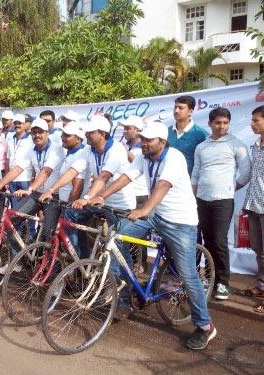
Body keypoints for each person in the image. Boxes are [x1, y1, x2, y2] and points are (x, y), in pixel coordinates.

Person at [94, 121, 216, 350]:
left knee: (188, 275)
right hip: (155, 215)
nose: (143, 142)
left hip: (180, 222)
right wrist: (101, 195)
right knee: (115, 236)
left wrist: (144, 210)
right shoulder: (143, 156)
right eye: (142, 138)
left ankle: (205, 326)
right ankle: (125, 297)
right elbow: (125, 178)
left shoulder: (175, 157)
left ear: (162, 142)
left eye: (148, 139)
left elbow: (163, 185)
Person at [191, 107, 251, 300]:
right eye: (218, 123)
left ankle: (223, 283)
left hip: (223, 201)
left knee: (219, 241)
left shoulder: (236, 144)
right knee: (206, 241)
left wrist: (231, 188)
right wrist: (192, 196)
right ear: (210, 124)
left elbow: (246, 172)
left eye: (225, 123)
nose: (222, 126)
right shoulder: (202, 146)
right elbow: (196, 173)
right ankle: (209, 277)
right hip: (201, 199)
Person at [0, 119, 65, 262]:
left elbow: (46, 172)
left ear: (47, 133)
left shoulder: (56, 148)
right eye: (34, 132)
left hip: (53, 195)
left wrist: (30, 189)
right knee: (12, 220)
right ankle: (16, 260)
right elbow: (18, 169)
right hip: (37, 194)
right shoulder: (32, 150)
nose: (37, 135)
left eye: (40, 132)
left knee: (49, 234)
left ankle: (52, 270)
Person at [65, 115, 136, 258]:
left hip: (119, 205)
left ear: (102, 134)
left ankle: (120, 279)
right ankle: (80, 261)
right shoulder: (89, 149)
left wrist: (87, 197)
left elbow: (103, 177)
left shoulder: (116, 149)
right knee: (70, 213)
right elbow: (73, 171)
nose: (86, 135)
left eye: (90, 132)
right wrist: (50, 189)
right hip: (98, 200)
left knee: (116, 247)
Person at [119, 115, 151, 272]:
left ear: (138, 130)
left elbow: (134, 162)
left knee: (139, 232)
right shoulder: (130, 146)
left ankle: (141, 264)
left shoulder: (143, 149)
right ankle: (131, 262)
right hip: (129, 195)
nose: (125, 131)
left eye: (128, 128)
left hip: (141, 194)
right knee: (128, 231)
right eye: (124, 128)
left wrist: (123, 150)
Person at [242, 105, 264, 314]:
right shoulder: (256, 146)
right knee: (259, 249)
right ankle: (261, 285)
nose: (252, 123)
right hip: (255, 204)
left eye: (256, 120)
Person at [39, 122, 89, 205]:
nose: (62, 138)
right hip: (63, 202)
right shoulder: (71, 153)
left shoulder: (80, 154)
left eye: (67, 135)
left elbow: (77, 188)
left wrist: (68, 209)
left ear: (78, 139)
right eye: (63, 135)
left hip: (72, 205)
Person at [168, 95, 208, 176]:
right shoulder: (166, 132)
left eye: (181, 108)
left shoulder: (201, 134)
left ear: (190, 112)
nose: (176, 111)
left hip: (189, 184)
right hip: (167, 183)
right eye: (175, 107)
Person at [6, 114, 34, 208]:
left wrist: (33, 179)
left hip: (25, 178)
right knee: (15, 208)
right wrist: (6, 179)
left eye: (20, 123)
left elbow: (33, 161)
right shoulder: (10, 139)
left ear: (24, 125)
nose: (17, 125)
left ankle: (30, 223)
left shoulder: (31, 140)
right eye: (15, 123)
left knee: (27, 208)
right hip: (12, 179)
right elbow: (8, 159)